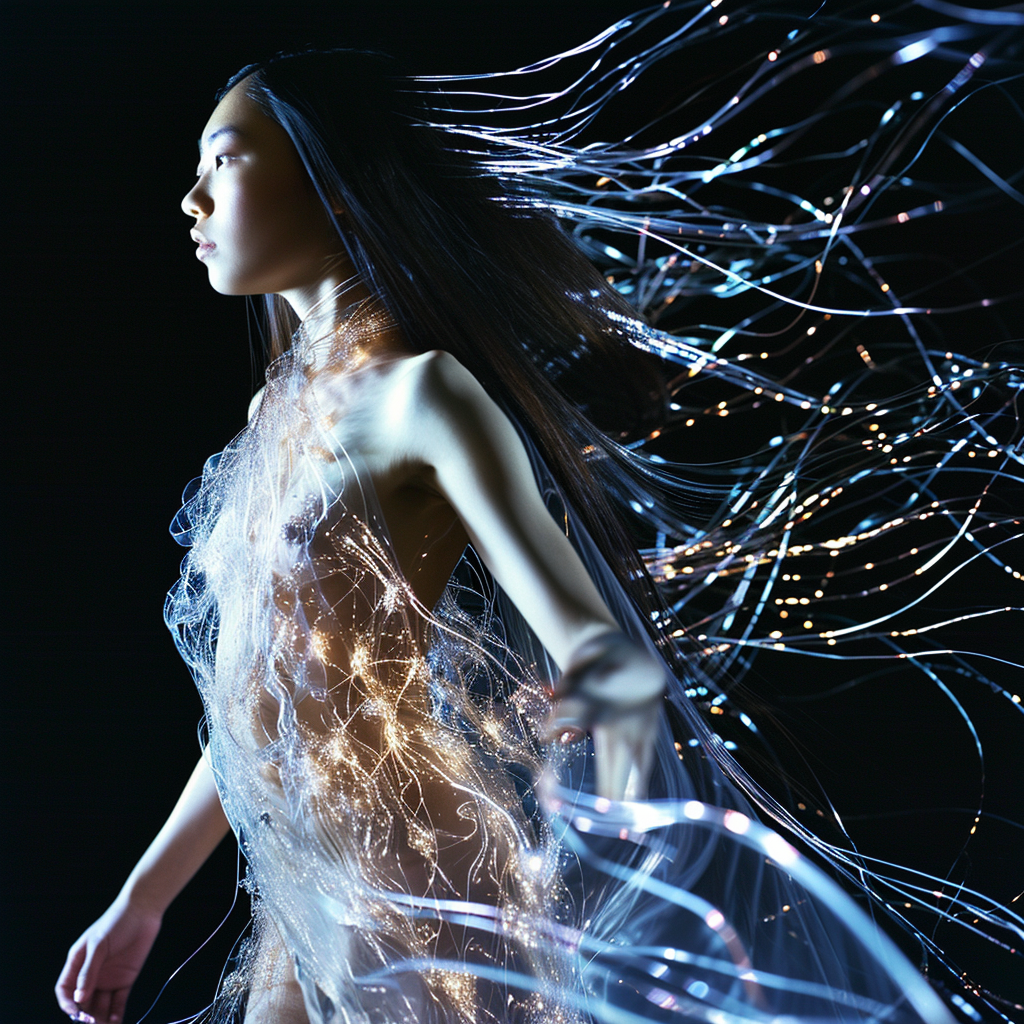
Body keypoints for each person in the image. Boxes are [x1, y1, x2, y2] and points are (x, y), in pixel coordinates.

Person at [55, 15, 1021, 1024]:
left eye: (224, 160)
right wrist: (141, 899)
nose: (192, 198)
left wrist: (615, 754)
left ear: (331, 178)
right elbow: (266, 692)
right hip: (299, 900)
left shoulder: (421, 397)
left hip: (422, 887)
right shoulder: (273, 420)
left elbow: (594, 641)